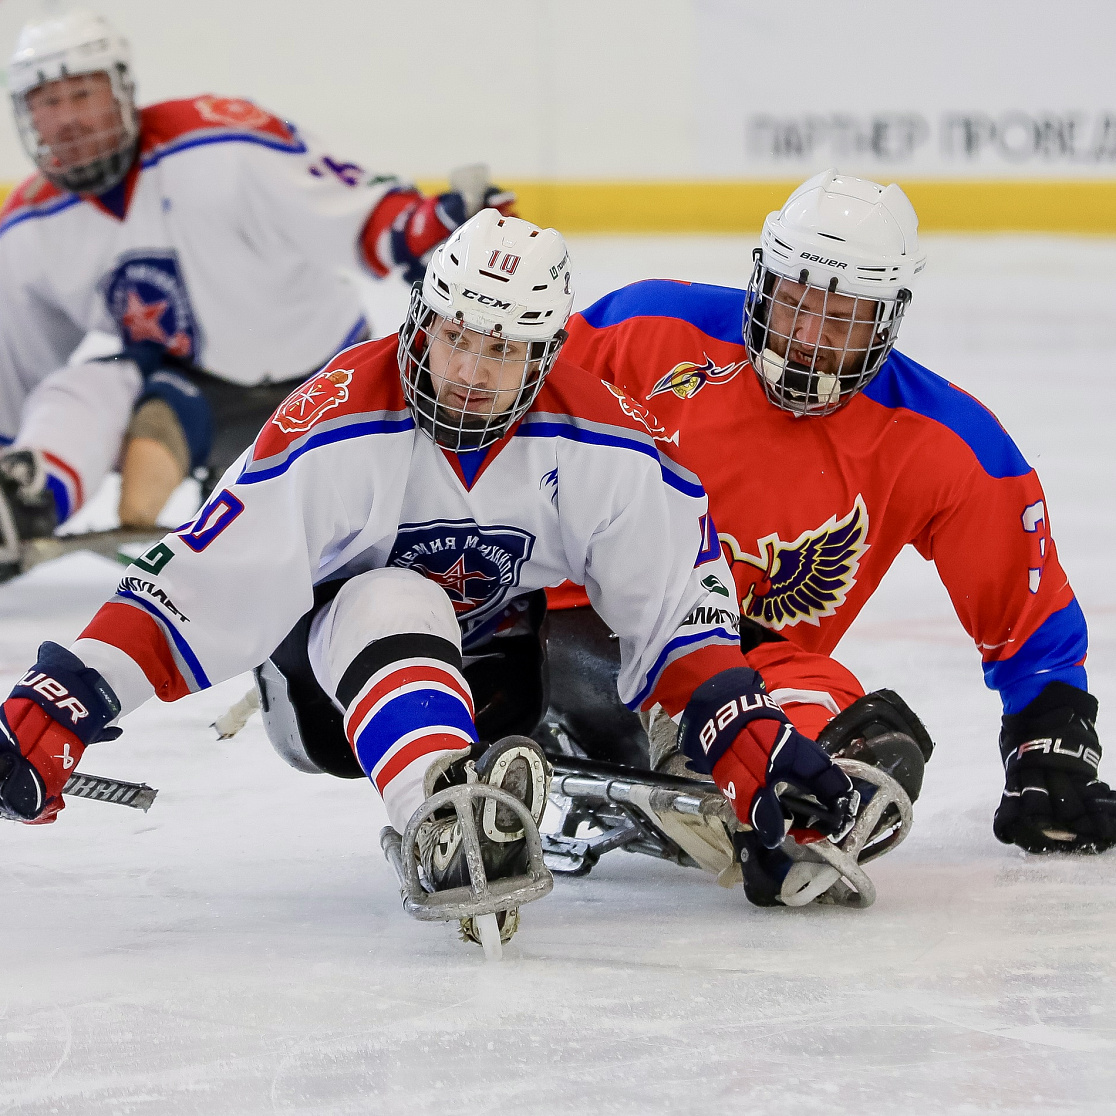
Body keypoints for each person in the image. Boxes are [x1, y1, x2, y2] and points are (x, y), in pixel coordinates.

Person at [0, 209, 863, 935]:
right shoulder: (337, 418)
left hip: (499, 680)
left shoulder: (607, 438)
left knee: (587, 619)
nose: (469, 374)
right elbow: (199, 580)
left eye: (503, 351)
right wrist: (65, 697)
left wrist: (743, 728)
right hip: (324, 696)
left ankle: (538, 762)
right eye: (456, 338)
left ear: (550, 351)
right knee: (392, 595)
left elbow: (677, 603)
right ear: (423, 317)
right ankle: (438, 821)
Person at [549, 168, 1116, 859]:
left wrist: (1047, 733)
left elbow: (1024, 609)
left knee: (867, 745)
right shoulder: (647, 332)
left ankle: (762, 790)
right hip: (573, 617)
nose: (809, 337)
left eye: (843, 317)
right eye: (795, 303)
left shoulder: (946, 442)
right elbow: (490, 411)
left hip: (746, 665)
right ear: (764, 282)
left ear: (888, 317)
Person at [0, 7, 511, 570]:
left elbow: (348, 205)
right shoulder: (27, 230)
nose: (69, 119)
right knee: (92, 398)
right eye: (49, 103)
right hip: (190, 391)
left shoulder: (221, 142)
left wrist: (424, 227)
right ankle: (24, 498)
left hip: (326, 377)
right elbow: (16, 372)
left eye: (83, 94)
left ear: (122, 91)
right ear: (27, 117)